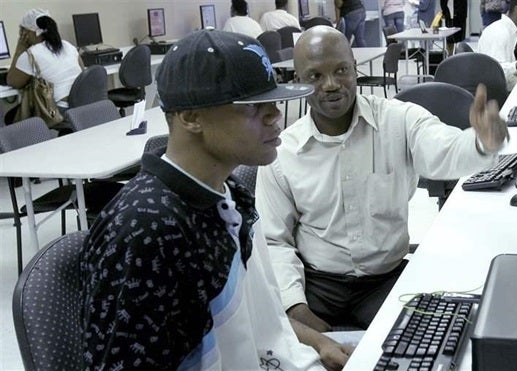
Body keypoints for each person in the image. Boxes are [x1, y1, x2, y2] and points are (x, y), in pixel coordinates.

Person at [80, 29, 354, 370]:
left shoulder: (229, 194)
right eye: (254, 106)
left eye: (272, 102)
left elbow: (253, 316)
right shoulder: (146, 231)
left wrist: (318, 341)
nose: (275, 116)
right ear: (191, 117)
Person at [255, 26, 509, 331]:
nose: (332, 85)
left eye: (341, 71)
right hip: (316, 284)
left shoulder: (399, 120)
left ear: (355, 71)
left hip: (385, 281)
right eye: (315, 76)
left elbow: (444, 150)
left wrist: (482, 142)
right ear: (297, 83)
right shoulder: (283, 153)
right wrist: (294, 307)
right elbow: (273, 240)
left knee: (430, 343)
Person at [5, 8, 82, 124]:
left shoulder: (31, 55)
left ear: (29, 32)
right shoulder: (68, 46)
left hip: (57, 110)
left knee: (11, 117)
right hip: (82, 103)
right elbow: (83, 71)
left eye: (22, 31)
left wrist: (20, 47)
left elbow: (12, 81)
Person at [477, 0, 517, 91]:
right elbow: (495, 71)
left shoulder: (510, 30)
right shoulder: (499, 32)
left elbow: (503, 65)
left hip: (502, 83)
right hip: (494, 91)